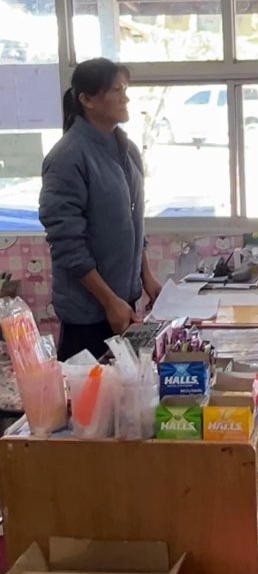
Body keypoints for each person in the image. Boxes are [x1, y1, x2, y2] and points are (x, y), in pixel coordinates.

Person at [40, 58, 162, 361]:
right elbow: (67, 244)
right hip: (88, 314)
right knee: (86, 390)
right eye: (116, 90)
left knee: (129, 387)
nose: (125, 98)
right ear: (87, 100)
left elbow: (132, 224)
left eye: (125, 89)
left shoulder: (127, 150)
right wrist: (109, 301)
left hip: (123, 303)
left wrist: (146, 277)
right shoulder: (68, 157)